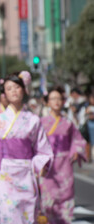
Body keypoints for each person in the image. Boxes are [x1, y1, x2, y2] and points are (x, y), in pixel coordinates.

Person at [0, 71, 53, 224]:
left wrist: (40, 164)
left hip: (26, 172)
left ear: (24, 89)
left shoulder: (33, 120)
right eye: (9, 89)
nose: (14, 91)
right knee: (8, 216)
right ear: (4, 94)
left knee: (28, 215)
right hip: (5, 174)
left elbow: (42, 149)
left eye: (17, 87)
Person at [40, 86, 87, 223]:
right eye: (53, 98)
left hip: (64, 164)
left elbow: (78, 140)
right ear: (47, 102)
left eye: (59, 98)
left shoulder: (68, 123)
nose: (56, 101)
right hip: (47, 166)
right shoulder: (41, 123)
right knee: (48, 201)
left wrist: (76, 152)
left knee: (66, 198)